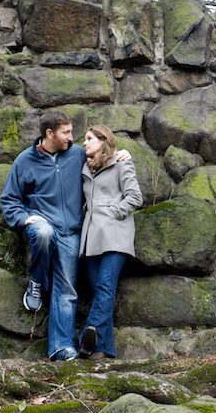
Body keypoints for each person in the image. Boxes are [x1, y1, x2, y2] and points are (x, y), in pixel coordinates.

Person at [0, 110, 130, 361]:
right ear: (49, 134)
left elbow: (104, 158)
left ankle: (61, 348)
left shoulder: (77, 154)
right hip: (42, 224)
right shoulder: (25, 161)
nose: (72, 137)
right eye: (66, 132)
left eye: (71, 131)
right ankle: (37, 281)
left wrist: (123, 155)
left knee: (67, 289)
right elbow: (9, 199)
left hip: (71, 232)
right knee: (44, 232)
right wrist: (24, 218)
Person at [78, 125, 142, 359]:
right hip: (91, 237)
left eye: (89, 139)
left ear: (103, 140)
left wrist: (112, 213)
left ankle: (88, 331)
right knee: (99, 291)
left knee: (105, 286)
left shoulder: (121, 163)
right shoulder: (85, 166)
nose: (84, 143)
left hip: (115, 235)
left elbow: (135, 197)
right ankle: (104, 349)